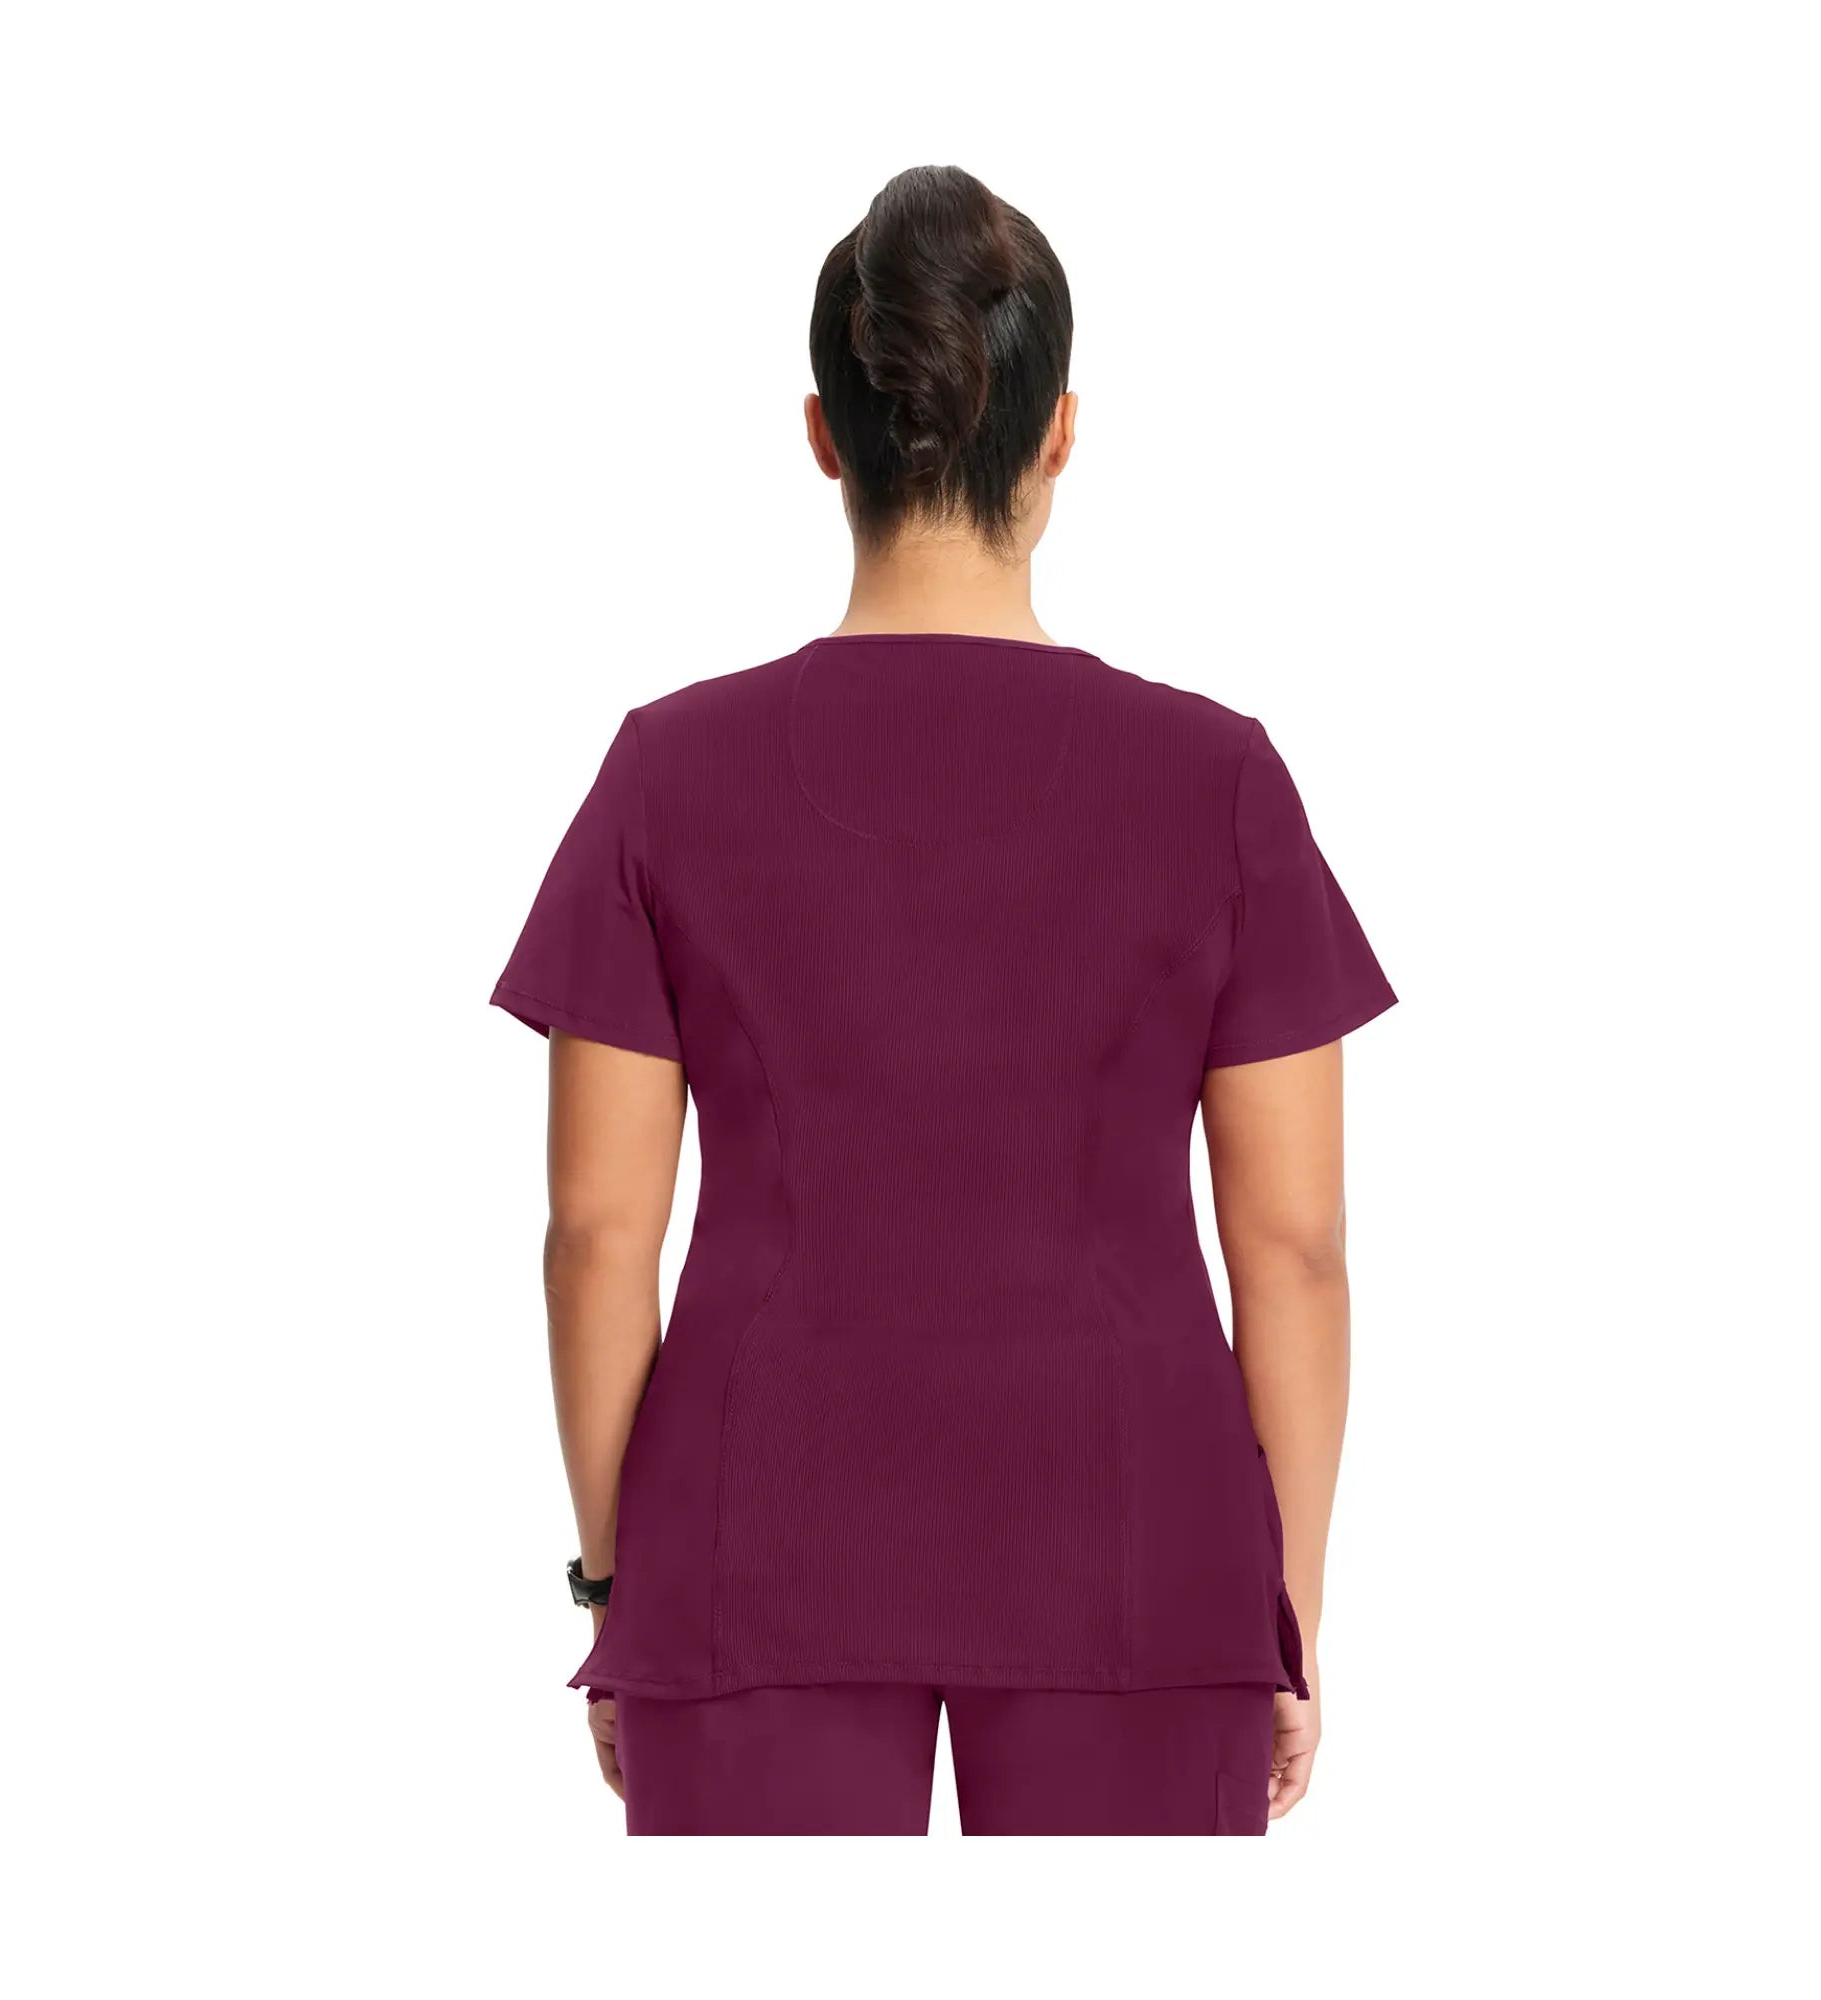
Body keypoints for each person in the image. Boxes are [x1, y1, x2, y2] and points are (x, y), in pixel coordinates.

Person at [491, 164, 1396, 1835]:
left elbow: (597, 1236)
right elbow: (1296, 1246)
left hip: (749, 1550)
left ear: (825, 439)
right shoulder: (1216, 782)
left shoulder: (668, 776)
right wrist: (1289, 1607)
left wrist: (619, 1587)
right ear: (1060, 437)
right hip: (1144, 1546)